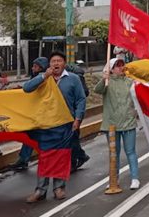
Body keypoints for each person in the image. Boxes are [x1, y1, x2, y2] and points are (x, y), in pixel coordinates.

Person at [24, 51, 86, 203]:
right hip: (45, 125)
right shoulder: (43, 78)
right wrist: (44, 76)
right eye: (53, 61)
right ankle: (40, 189)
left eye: (59, 61)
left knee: (61, 156)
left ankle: (59, 187)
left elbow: (80, 99)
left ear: (64, 63)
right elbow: (27, 88)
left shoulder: (73, 79)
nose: (56, 64)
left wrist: (78, 119)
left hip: (66, 124)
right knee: (44, 157)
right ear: (49, 64)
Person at [94, 58, 140, 190]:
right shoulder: (107, 82)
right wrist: (104, 78)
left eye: (122, 65)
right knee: (114, 154)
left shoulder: (130, 82)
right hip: (111, 125)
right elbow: (97, 90)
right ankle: (114, 179)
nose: (121, 68)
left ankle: (135, 178)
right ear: (111, 69)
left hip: (128, 123)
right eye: (117, 66)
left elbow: (140, 92)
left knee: (131, 151)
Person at [11, 57, 49, 171]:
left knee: (34, 137)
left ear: (41, 68)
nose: (33, 68)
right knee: (31, 137)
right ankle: (23, 159)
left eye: (35, 66)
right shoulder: (37, 77)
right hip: (35, 113)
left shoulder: (43, 78)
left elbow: (32, 89)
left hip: (41, 114)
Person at [65, 58, 91, 172]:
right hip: (64, 113)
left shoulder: (74, 78)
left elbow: (83, 95)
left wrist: (77, 114)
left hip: (74, 112)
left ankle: (73, 162)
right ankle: (80, 156)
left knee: (72, 138)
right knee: (71, 138)